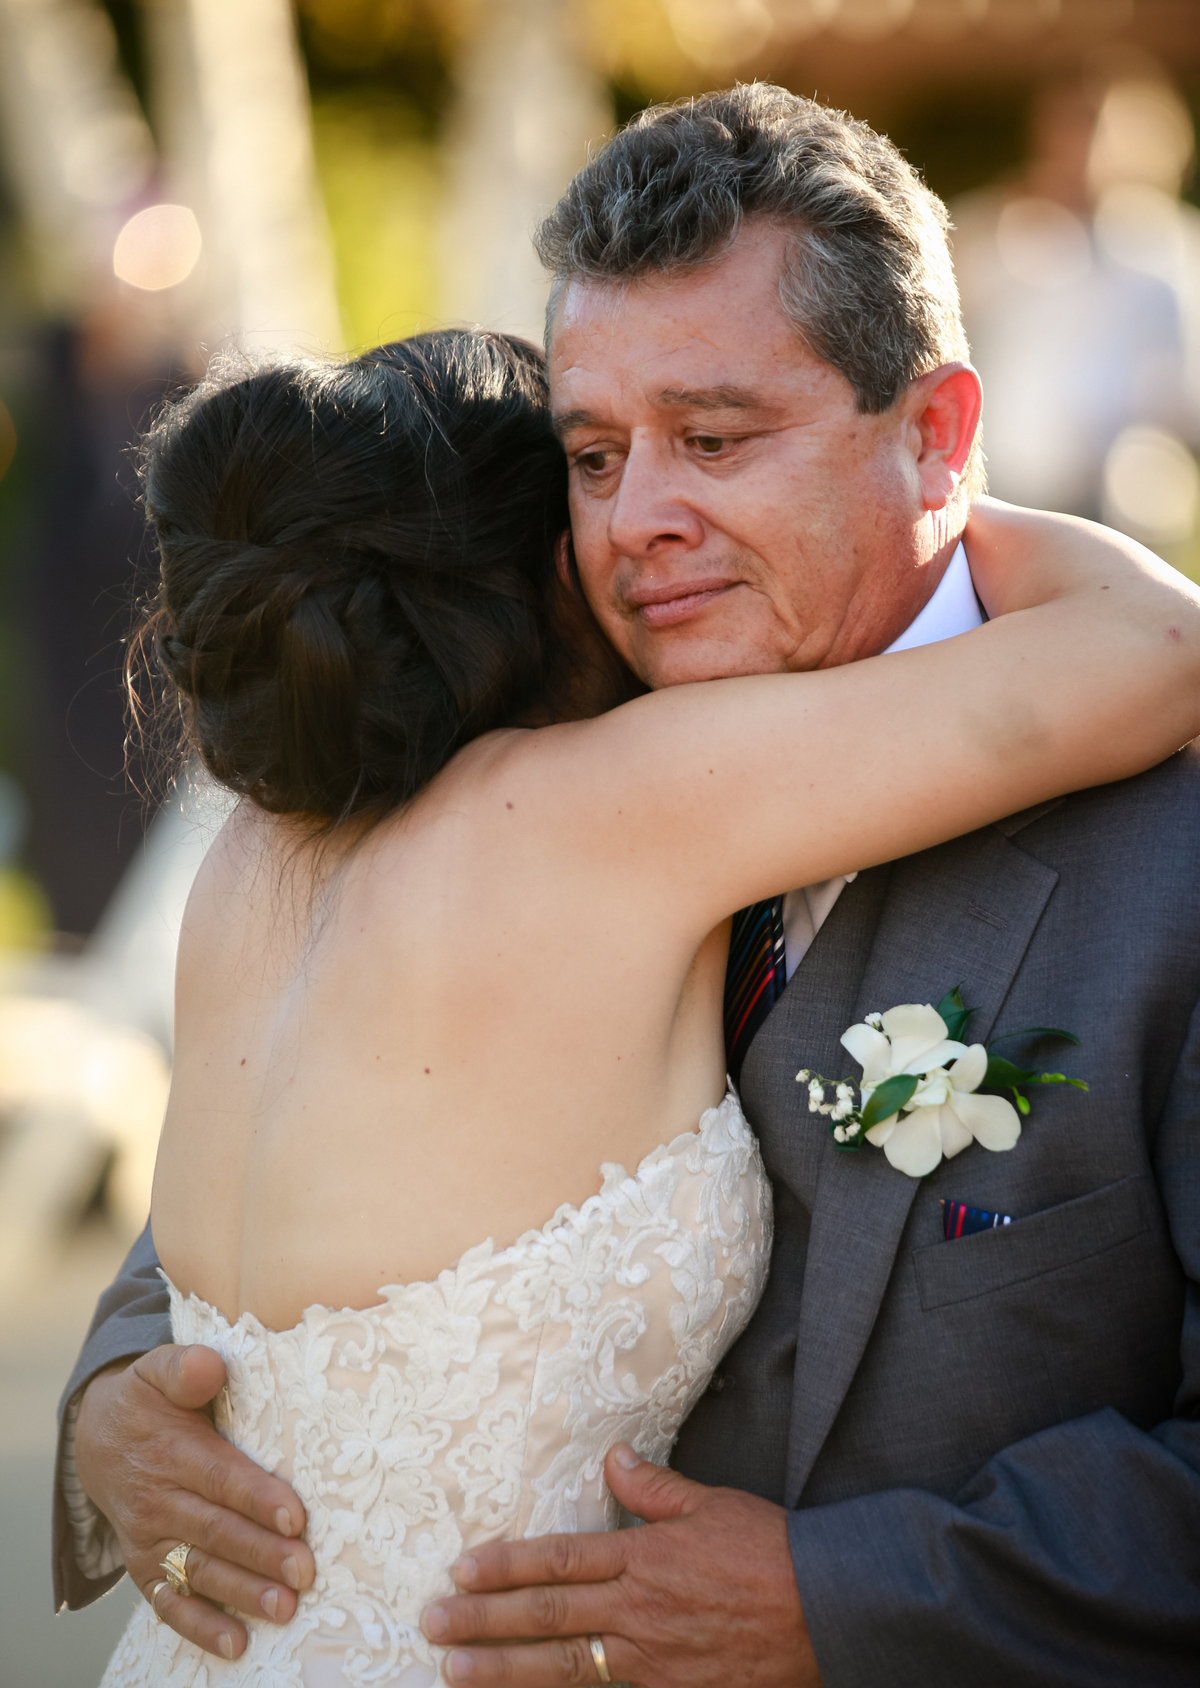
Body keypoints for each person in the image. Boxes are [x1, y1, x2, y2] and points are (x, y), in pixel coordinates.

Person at [55, 87, 1200, 1687]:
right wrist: (120, 1395)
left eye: (715, 440)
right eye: (593, 455)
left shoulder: (1172, 865)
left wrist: (844, 1597)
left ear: (937, 431)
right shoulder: (534, 772)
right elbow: (255, 1205)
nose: (640, 524)